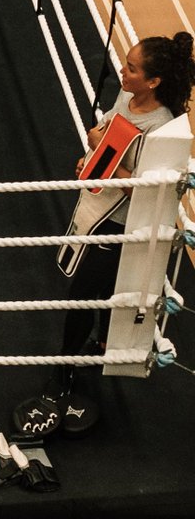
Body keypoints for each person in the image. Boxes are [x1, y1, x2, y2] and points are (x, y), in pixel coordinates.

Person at [60, 32, 195, 357]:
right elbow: (110, 127)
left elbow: (143, 190)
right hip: (98, 206)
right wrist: (90, 156)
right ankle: (105, 345)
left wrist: (102, 155)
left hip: (120, 224)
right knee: (104, 288)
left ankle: (62, 375)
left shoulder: (160, 128)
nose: (123, 71)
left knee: (81, 298)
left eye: (132, 69)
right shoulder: (127, 94)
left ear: (153, 81)